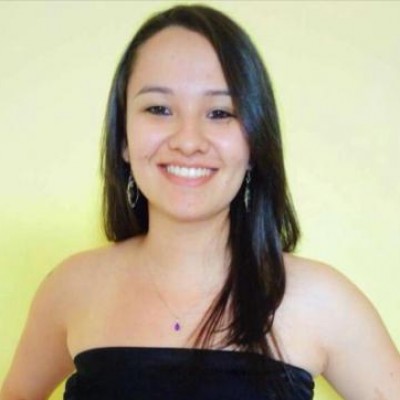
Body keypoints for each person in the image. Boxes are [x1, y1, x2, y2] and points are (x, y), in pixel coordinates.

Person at [1, 4, 399, 400]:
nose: (188, 141)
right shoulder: (72, 288)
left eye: (220, 113)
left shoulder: (319, 299)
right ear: (123, 138)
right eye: (159, 109)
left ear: (254, 141)